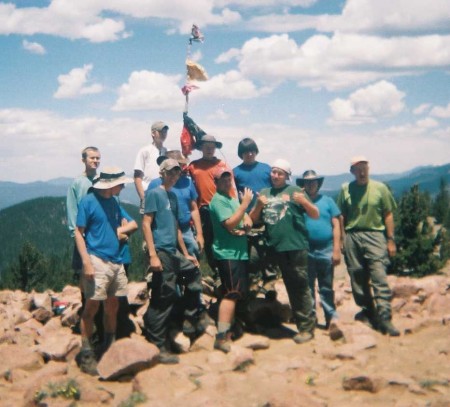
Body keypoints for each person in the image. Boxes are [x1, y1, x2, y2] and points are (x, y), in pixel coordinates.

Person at [74, 167, 137, 375]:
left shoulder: (114, 202)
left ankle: (108, 347)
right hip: (97, 258)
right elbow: (78, 233)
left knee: (113, 305)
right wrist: (87, 263)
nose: (124, 187)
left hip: (116, 260)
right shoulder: (89, 202)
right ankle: (87, 352)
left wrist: (122, 229)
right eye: (121, 184)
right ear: (111, 185)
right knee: (91, 307)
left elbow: (126, 222)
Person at [142, 159, 205, 364]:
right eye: (170, 173)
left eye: (176, 173)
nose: (173, 176)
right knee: (163, 295)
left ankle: (187, 316)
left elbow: (178, 227)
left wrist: (185, 253)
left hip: (174, 251)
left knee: (194, 272)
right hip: (161, 250)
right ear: (162, 173)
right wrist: (152, 254)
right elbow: (146, 223)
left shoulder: (173, 195)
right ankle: (158, 345)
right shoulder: (154, 193)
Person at [250, 159, 318, 344]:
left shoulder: (295, 191)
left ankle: (306, 327)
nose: (275, 176)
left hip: (295, 245)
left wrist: (304, 201)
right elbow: (253, 220)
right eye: (273, 172)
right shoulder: (264, 193)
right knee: (253, 271)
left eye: (280, 173)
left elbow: (315, 214)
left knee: (298, 286)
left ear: (287, 176)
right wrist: (258, 205)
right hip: (273, 247)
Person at [336, 156, 400, 336]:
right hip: (353, 235)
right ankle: (368, 311)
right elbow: (341, 216)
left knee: (379, 274)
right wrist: (342, 239)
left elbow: (388, 214)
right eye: (357, 169)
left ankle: (385, 318)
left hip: (375, 235)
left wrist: (390, 239)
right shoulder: (345, 189)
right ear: (352, 172)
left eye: (364, 168)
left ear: (369, 168)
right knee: (357, 275)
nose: (362, 172)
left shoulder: (380, 188)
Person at [209, 168, 253, 353]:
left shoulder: (232, 199)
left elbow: (244, 219)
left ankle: (231, 330)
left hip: (238, 252)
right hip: (227, 253)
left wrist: (247, 219)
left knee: (237, 293)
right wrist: (245, 205)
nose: (227, 183)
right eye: (223, 180)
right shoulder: (218, 201)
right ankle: (221, 337)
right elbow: (229, 224)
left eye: (229, 179)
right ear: (216, 183)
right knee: (231, 293)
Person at [297, 170, 344, 341]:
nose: (311, 185)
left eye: (313, 182)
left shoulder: (328, 201)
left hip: (326, 248)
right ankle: (310, 319)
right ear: (303, 184)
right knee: (307, 287)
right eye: (307, 182)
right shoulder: (300, 203)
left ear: (318, 184)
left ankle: (331, 317)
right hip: (306, 249)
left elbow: (336, 224)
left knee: (326, 286)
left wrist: (337, 248)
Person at [233, 138, 277, 292]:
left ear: (256, 151)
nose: (249, 154)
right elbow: (234, 197)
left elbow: (276, 189)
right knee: (252, 256)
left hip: (269, 217)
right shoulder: (236, 172)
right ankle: (252, 283)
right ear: (241, 154)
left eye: (252, 150)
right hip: (248, 218)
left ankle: (270, 282)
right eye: (245, 152)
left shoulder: (266, 168)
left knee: (270, 251)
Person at [188, 134, 236, 272]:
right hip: (203, 209)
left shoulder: (222, 165)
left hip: (222, 207)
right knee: (208, 241)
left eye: (212, 147)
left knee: (222, 239)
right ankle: (215, 271)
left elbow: (231, 187)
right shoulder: (193, 166)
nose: (209, 149)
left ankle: (225, 270)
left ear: (215, 148)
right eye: (206, 147)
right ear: (201, 148)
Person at [149, 150, 204, 258]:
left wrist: (199, 234)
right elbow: (147, 216)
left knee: (192, 256)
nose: (176, 168)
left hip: (185, 229)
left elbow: (194, 209)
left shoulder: (187, 182)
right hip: (162, 232)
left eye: (179, 165)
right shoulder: (155, 184)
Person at [66, 146, 101, 281]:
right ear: (83, 160)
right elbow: (72, 210)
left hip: (99, 233)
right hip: (83, 234)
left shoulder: (102, 181)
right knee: (85, 274)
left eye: (98, 158)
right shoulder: (77, 183)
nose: (95, 161)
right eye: (92, 158)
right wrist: (76, 234)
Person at [134, 121, 168, 214]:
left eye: (165, 131)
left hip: (164, 195)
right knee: (148, 224)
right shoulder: (144, 151)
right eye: (160, 131)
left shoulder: (167, 152)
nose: (163, 134)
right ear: (153, 133)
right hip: (147, 194)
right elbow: (137, 176)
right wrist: (143, 197)